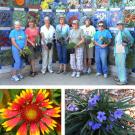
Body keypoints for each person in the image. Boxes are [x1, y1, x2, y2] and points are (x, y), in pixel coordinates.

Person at [114, 21, 134, 85]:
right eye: (118, 25)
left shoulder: (125, 31)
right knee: (118, 65)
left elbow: (132, 40)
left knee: (122, 65)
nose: (119, 26)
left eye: (121, 25)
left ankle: (123, 80)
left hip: (122, 51)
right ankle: (120, 77)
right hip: (117, 51)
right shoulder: (118, 32)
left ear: (123, 25)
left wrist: (127, 44)